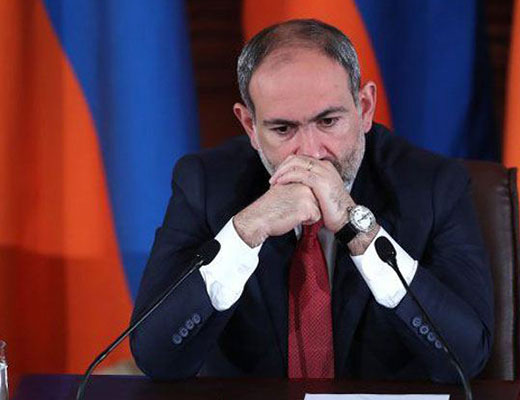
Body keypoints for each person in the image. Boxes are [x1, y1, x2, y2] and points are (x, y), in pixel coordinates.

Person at [130, 19, 493, 383]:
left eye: (328, 121)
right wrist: (243, 233)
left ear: (365, 107)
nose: (310, 152)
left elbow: (465, 358)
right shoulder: (206, 184)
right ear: (250, 126)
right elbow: (157, 358)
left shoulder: (432, 186)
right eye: (283, 129)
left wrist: (359, 231)